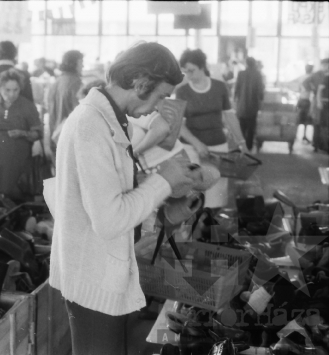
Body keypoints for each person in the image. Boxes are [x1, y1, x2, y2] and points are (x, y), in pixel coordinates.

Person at [44, 42, 196, 355]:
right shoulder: (91, 126)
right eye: (160, 95)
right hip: (92, 274)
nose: (158, 106)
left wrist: (165, 205)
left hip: (100, 269)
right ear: (141, 82)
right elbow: (110, 219)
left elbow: (111, 193)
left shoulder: (109, 119)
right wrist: (163, 180)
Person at [176, 49, 247, 209]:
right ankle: (193, 229)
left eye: (192, 70)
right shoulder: (182, 91)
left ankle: (212, 228)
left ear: (203, 67)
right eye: (185, 71)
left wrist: (241, 141)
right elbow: (179, 125)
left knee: (217, 191)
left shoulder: (219, 88)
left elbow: (229, 116)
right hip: (191, 147)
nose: (188, 75)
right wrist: (197, 144)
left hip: (218, 147)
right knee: (192, 191)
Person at [0, 68, 42, 202]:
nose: (12, 94)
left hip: (18, 159)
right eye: (7, 90)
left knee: (13, 195)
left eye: (15, 90)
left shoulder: (27, 106)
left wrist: (23, 133)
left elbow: (38, 133)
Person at [47, 50, 84, 156]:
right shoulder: (76, 83)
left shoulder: (55, 83)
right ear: (74, 64)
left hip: (55, 135)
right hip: (69, 138)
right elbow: (79, 113)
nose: (83, 66)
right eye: (81, 62)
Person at [234, 57, 265, 151]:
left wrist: (236, 100)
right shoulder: (258, 74)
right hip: (253, 106)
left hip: (242, 106)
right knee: (251, 127)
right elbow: (260, 90)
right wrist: (261, 99)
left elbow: (236, 88)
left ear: (246, 64)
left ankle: (241, 146)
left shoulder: (241, 74)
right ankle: (249, 146)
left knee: (242, 127)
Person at [304, 58, 329, 152]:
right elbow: (305, 83)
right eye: (325, 64)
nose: (325, 66)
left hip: (321, 101)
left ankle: (320, 144)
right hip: (319, 101)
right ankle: (317, 144)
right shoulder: (318, 74)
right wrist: (314, 90)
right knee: (318, 122)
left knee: (321, 123)